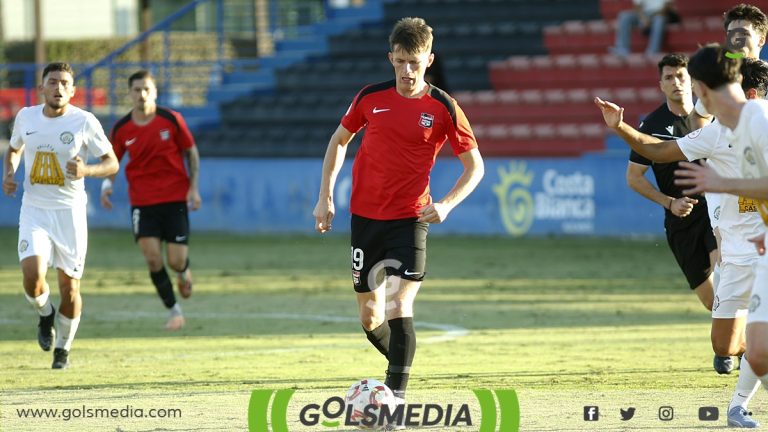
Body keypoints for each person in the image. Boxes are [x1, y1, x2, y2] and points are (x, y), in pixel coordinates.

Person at [312, 16, 484, 413]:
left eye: (416, 62)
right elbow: (339, 141)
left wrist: (446, 204)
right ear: (391, 58)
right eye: (401, 61)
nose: (408, 71)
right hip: (365, 218)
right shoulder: (370, 98)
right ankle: (393, 379)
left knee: (398, 306)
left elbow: (475, 166)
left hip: (411, 219)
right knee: (370, 316)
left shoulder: (444, 107)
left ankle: (395, 402)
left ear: (429, 59)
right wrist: (325, 197)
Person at [594, 54, 768, 428]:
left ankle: (738, 406)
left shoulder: (764, 123)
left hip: (763, 252)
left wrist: (725, 185)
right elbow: (657, 150)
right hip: (735, 256)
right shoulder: (717, 132)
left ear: (749, 95)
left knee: (759, 344)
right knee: (724, 347)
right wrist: (620, 127)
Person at [2, 62, 119, 369]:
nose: (58, 88)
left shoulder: (85, 121)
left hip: (69, 214)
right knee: (32, 278)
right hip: (35, 211)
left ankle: (63, 350)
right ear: (42, 87)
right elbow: (13, 149)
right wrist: (9, 172)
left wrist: (87, 170)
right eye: (52, 82)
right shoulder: (26, 117)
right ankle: (45, 315)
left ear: (73, 90)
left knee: (70, 288)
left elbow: (112, 163)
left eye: (65, 83)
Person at [101, 70, 201, 331]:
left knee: (176, 260)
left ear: (155, 92)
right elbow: (112, 160)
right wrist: (107, 185)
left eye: (147, 89)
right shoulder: (122, 128)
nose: (142, 94)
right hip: (143, 203)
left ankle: (183, 272)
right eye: (136, 90)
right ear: (130, 93)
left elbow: (191, 152)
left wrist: (194, 189)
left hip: (175, 198)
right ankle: (174, 311)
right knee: (153, 259)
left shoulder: (171, 119)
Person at [625, 53, 716, 311]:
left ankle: (744, 351)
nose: (676, 82)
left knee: (726, 280)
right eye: (669, 77)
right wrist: (669, 202)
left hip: (714, 210)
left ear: (691, 81)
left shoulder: (713, 117)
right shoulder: (651, 126)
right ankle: (740, 347)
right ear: (661, 85)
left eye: (681, 76)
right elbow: (633, 177)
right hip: (680, 221)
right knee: (712, 301)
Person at [689, 3, 767, 130]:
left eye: (744, 34)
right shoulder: (719, 75)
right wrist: (709, 145)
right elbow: (699, 115)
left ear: (761, 40)